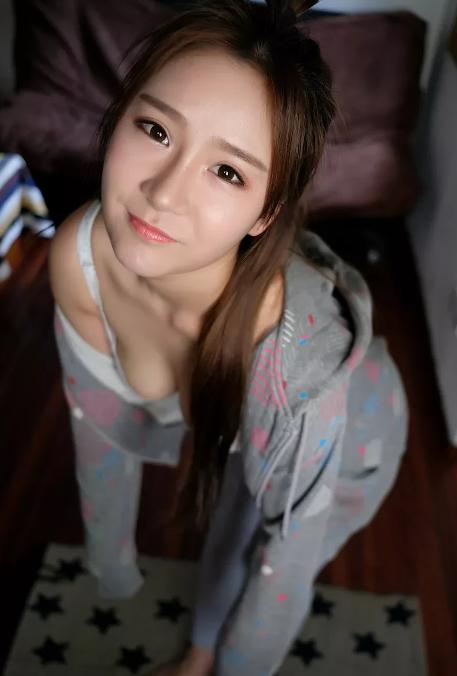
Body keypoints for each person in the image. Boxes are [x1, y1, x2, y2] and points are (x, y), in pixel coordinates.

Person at [47, 1, 409, 674]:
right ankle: (198, 652)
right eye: (155, 129)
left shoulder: (296, 373)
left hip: (349, 435)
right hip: (255, 418)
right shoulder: (80, 257)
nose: (163, 194)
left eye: (227, 171)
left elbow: (283, 569)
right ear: (118, 115)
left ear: (264, 214)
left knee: (251, 544)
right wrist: (111, 561)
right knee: (231, 517)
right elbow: (95, 427)